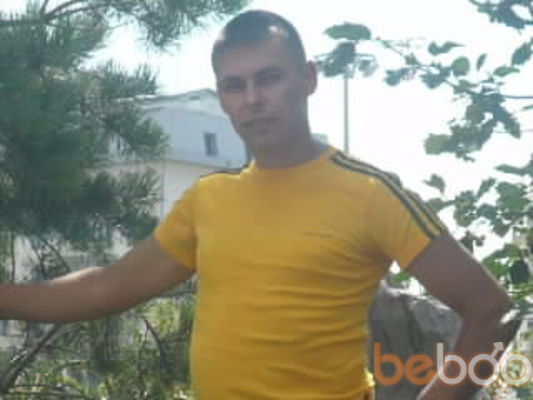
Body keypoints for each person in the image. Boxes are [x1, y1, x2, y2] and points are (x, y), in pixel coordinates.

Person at [0, 10, 520, 400]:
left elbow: (495, 313)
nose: (252, 98)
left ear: (308, 78)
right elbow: (107, 287)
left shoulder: (370, 193)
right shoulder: (209, 200)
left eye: (269, 78)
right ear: (222, 97)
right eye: (235, 85)